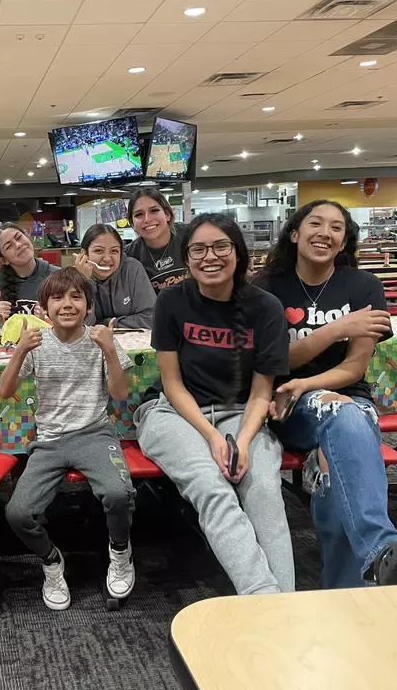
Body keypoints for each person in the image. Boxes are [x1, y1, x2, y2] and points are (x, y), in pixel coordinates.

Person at [256, 199, 397, 588]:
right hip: (286, 406)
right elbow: (272, 361)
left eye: (336, 228)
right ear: (295, 233)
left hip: (343, 396)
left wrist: (309, 383)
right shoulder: (267, 288)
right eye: (315, 223)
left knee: (335, 455)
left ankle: (356, 577)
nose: (325, 233)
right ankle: (379, 551)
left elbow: (355, 367)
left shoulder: (363, 286)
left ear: (344, 242)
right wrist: (336, 329)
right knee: (345, 427)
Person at [133, 213, 295, 595]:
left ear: (238, 253)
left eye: (221, 246)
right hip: (174, 414)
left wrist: (241, 439)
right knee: (212, 488)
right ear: (187, 257)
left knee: (265, 493)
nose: (210, 257)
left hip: (243, 414)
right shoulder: (172, 301)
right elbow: (172, 383)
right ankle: (264, 597)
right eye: (198, 249)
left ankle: (286, 603)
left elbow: (261, 392)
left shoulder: (265, 307)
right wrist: (211, 436)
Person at [1, 267, 136, 610]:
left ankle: (120, 550)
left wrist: (108, 350)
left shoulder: (100, 339)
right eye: (57, 297)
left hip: (94, 433)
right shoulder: (37, 342)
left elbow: (120, 395)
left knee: (119, 494)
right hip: (49, 441)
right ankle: (51, 561)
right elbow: (5, 392)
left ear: (89, 306)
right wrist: (19, 351)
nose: (67, 304)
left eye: (76, 296)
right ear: (44, 308)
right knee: (18, 514)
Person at [0, 223, 59, 324]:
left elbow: (76, 323)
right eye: (9, 246)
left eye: (19, 237)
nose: (18, 245)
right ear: (3, 260)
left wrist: (47, 321)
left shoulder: (58, 276)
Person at [77, 224, 156, 329]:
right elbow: (81, 326)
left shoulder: (132, 269)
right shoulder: (75, 278)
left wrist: (107, 324)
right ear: (84, 253)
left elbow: (151, 318)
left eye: (114, 251)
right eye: (98, 251)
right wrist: (82, 282)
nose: (107, 259)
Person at [125, 188, 190, 295]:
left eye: (154, 210)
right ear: (132, 224)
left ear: (167, 214)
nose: (147, 219)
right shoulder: (129, 256)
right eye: (139, 214)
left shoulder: (190, 236)